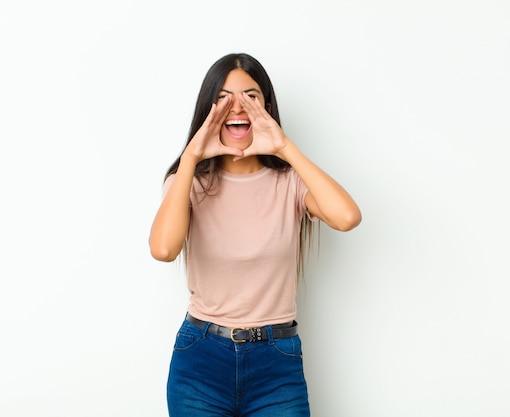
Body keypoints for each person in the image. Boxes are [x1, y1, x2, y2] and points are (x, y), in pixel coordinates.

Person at [149, 52, 361, 417]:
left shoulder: (290, 183)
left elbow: (346, 217)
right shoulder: (189, 183)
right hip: (200, 361)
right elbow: (164, 249)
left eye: (250, 97)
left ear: (267, 107)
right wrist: (191, 157)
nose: (236, 107)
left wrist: (284, 147)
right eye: (222, 98)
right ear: (207, 109)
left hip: (276, 365)